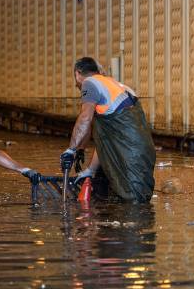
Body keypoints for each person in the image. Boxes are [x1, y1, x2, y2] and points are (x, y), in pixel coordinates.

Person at [59, 57, 156, 202]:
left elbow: (85, 118)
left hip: (129, 155)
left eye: (75, 78)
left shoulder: (89, 83)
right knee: (135, 201)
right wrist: (90, 169)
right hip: (141, 152)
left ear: (78, 73)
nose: (76, 84)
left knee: (134, 204)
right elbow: (106, 141)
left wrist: (71, 150)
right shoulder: (114, 85)